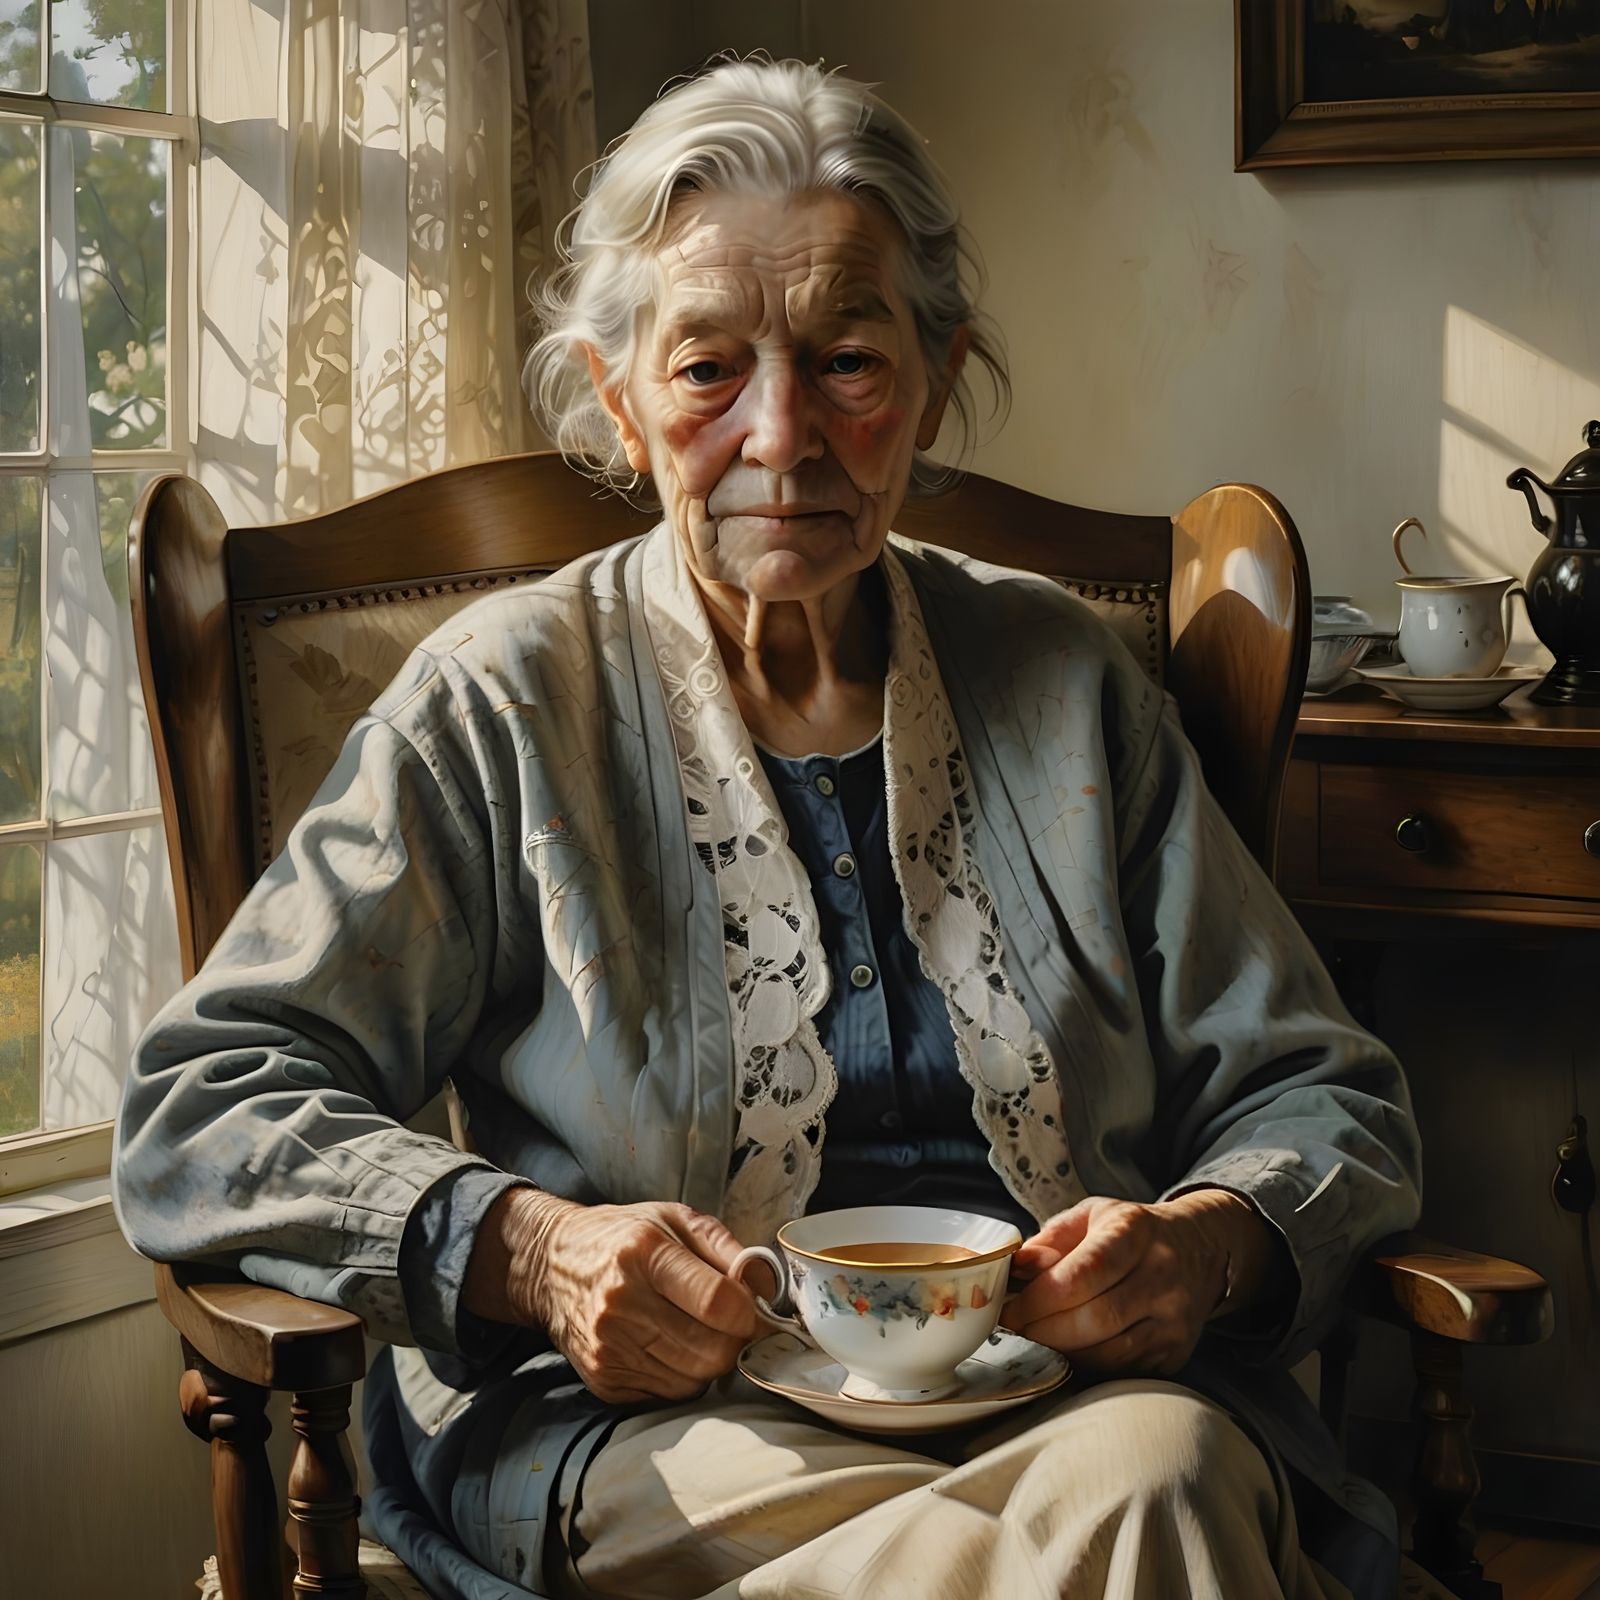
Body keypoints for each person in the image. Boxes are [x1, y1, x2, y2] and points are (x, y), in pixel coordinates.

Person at [114, 56, 1422, 1600]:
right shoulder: (502, 705)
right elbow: (203, 1106)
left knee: (1157, 1466)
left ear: (935, 375)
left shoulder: (1065, 682)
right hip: (666, 1441)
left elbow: (1325, 1097)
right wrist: (532, 1250)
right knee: (1166, 1516)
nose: (784, 434)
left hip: (1067, 1405)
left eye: (849, 361)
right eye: (707, 367)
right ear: (618, 401)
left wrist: (1197, 1253)